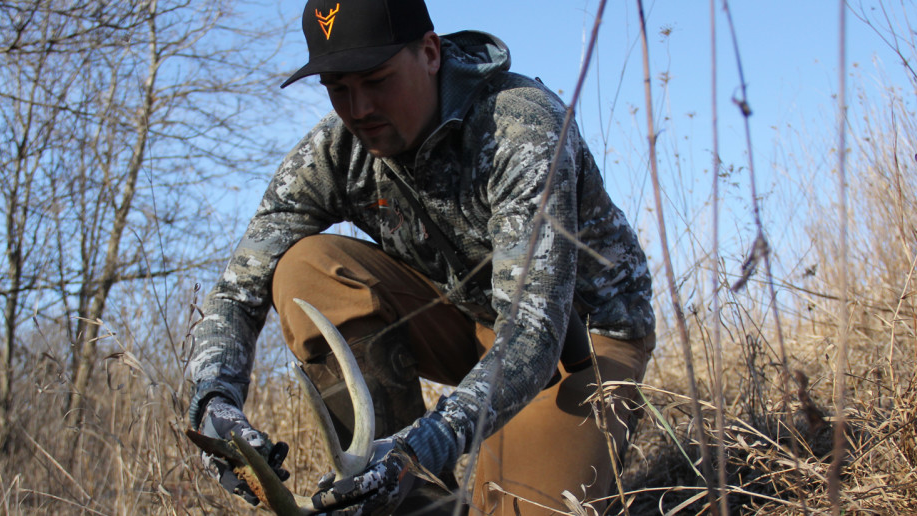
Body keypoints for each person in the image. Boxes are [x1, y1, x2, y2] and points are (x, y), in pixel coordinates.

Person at [186, 0, 655, 514]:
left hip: (574, 344)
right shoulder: (335, 152)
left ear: (430, 53)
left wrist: (425, 443)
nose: (359, 108)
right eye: (338, 89)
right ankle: (401, 497)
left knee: (515, 508)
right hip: (464, 318)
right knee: (304, 269)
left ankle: (409, 469)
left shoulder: (521, 127)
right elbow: (238, 291)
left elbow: (534, 334)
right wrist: (214, 402)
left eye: (377, 80)